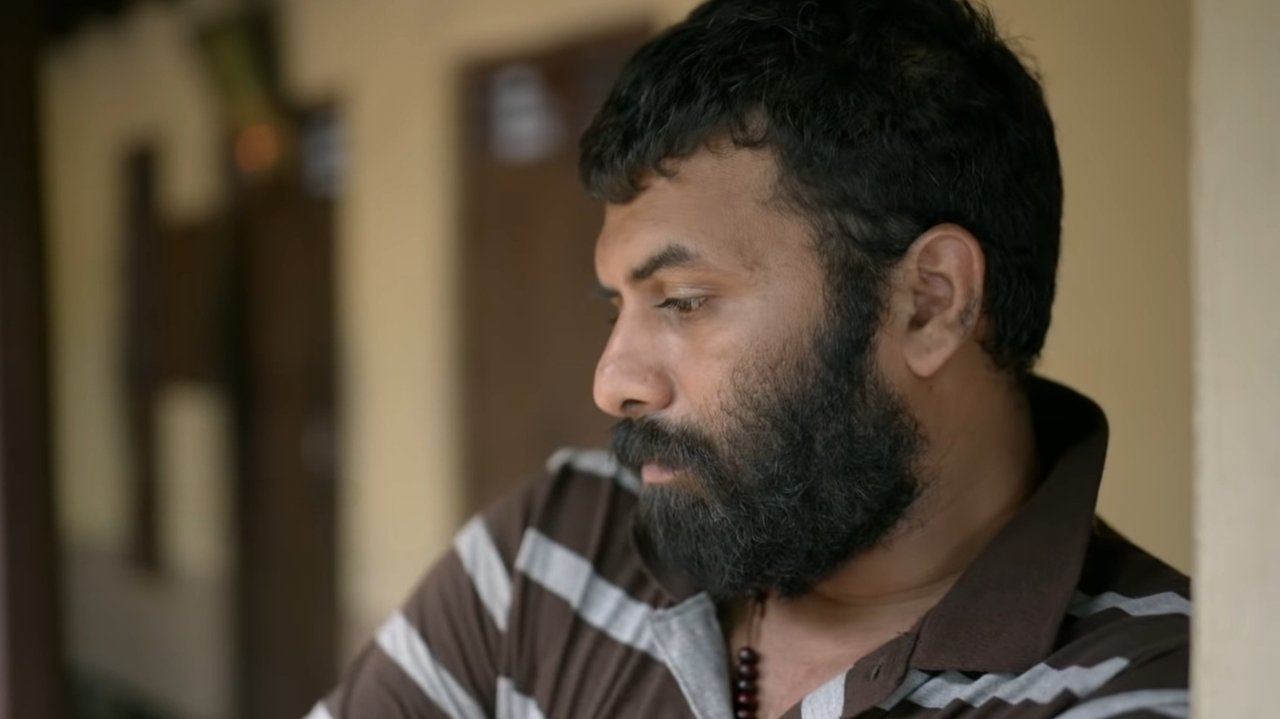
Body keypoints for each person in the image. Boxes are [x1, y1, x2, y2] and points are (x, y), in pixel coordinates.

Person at [308, 0, 1190, 716]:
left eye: (683, 300)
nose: (613, 382)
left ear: (928, 302)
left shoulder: (1152, 686)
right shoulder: (550, 554)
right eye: (616, 306)